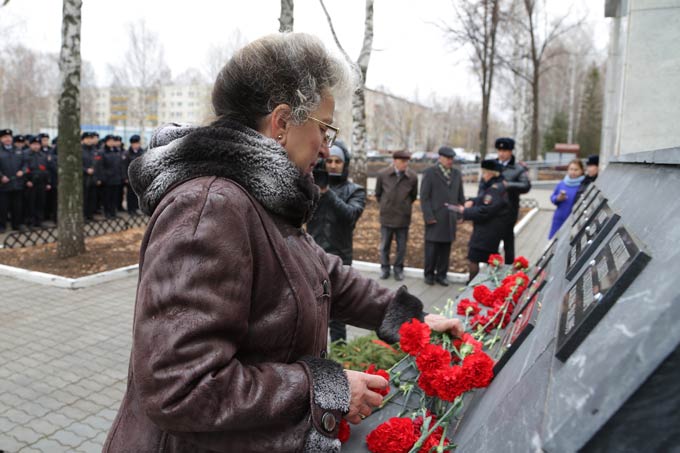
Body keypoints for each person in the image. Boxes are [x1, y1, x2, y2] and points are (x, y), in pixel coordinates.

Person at [104, 33, 463, 453]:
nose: (328, 147)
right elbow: (181, 387)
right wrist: (325, 388)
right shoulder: (210, 207)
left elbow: (319, 273)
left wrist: (408, 320)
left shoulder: (259, 194)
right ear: (281, 123)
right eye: (324, 127)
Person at [307, 139, 366, 343]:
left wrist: (327, 193)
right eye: (329, 160)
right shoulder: (312, 185)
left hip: (340, 256)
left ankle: (340, 351)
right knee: (313, 309)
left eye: (337, 161)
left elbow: (350, 216)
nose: (332, 165)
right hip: (312, 254)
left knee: (337, 311)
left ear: (345, 164)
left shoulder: (355, 191)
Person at [450, 159, 511, 283]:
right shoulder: (496, 185)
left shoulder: (495, 189)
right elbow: (483, 199)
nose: (483, 175)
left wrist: (464, 211)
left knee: (475, 258)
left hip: (487, 231)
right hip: (491, 230)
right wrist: (473, 200)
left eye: (484, 173)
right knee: (488, 258)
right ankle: (485, 284)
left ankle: (473, 285)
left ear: (491, 173)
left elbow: (485, 210)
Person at [420, 146, 465, 286]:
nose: (450, 161)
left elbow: (460, 195)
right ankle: (429, 274)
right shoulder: (430, 172)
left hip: (450, 217)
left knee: (446, 249)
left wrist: (460, 214)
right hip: (435, 217)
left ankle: (441, 275)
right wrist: (429, 216)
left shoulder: (456, 174)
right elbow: (424, 197)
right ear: (440, 158)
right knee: (432, 249)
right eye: (447, 158)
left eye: (452, 158)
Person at [374, 150, 418, 281]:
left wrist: (404, 206)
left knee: (402, 246)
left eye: (407, 161)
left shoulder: (412, 177)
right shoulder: (383, 175)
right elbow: (378, 194)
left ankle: (398, 269)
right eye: (403, 161)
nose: (406, 164)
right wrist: (386, 205)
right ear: (395, 161)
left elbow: (413, 196)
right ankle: (385, 268)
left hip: (403, 218)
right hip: (387, 216)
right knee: (385, 245)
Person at [492, 137, 530, 264]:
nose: (501, 153)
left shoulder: (518, 168)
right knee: (492, 243)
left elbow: (526, 186)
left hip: (508, 211)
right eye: (499, 150)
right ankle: (492, 268)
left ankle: (508, 271)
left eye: (505, 150)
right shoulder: (492, 165)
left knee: (508, 242)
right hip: (491, 210)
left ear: (510, 152)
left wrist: (508, 185)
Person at [548, 158, 585, 239]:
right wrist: (558, 198)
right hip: (559, 219)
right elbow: (552, 197)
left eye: (576, 169)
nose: (573, 172)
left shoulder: (583, 185)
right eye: (571, 169)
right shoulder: (562, 183)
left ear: (582, 170)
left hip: (573, 222)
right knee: (553, 244)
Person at [0, 128, 27, 232]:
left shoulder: (18, 150)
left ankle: (16, 224)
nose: (7, 139)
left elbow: (25, 164)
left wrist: (22, 171)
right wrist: (1, 176)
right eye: (5, 137)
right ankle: (2, 225)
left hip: (17, 183)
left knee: (17, 206)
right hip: (3, 185)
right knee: (3, 207)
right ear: (1, 139)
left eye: (9, 137)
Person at [22, 136, 52, 228]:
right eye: (34, 144)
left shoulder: (43, 155)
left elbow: (47, 170)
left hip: (41, 183)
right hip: (30, 183)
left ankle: (39, 221)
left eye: (38, 144)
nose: (36, 146)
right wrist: (26, 181)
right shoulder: (25, 154)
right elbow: (23, 169)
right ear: (30, 145)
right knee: (30, 203)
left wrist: (48, 182)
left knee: (40, 202)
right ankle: (29, 221)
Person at [101, 135, 123, 219]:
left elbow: (120, 165)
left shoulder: (117, 151)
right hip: (107, 179)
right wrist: (103, 177)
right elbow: (101, 166)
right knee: (107, 197)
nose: (112, 143)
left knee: (114, 197)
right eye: (110, 141)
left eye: (113, 141)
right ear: (106, 142)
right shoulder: (103, 152)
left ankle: (113, 212)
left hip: (116, 178)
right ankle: (107, 213)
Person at [123, 134, 145, 215]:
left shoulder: (142, 152)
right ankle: (130, 209)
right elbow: (124, 166)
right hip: (130, 178)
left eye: (137, 143)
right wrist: (125, 177)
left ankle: (136, 208)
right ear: (131, 144)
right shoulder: (127, 154)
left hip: (139, 177)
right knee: (130, 194)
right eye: (134, 144)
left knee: (138, 194)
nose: (136, 145)